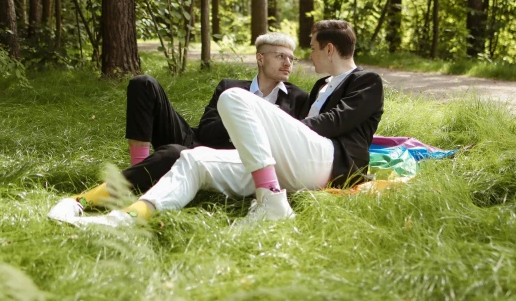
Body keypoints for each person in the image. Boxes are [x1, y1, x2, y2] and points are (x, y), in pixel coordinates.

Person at [53, 20, 383, 227]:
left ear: (328, 48)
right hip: (277, 159)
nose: (302, 58)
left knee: (234, 98)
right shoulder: (319, 87)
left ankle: (270, 201)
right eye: (283, 55)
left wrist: (269, 122)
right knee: (190, 157)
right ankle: (118, 215)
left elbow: (333, 123)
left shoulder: (366, 80)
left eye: (309, 50)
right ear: (260, 58)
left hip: (330, 161)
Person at [48, 32, 308, 221]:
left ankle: (83, 199)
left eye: (292, 58)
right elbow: (207, 130)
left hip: (231, 162)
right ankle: (139, 170)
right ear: (261, 58)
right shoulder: (230, 87)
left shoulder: (297, 98)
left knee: (174, 153)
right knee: (144, 83)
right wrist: (243, 111)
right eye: (281, 56)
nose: (288, 63)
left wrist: (263, 119)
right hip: (200, 142)